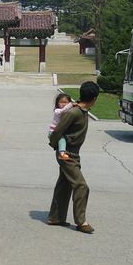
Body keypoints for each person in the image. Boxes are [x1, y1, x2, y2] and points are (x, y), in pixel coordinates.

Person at [47, 81, 99, 234]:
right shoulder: (73, 113)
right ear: (94, 99)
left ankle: (55, 217)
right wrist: (58, 148)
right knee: (81, 185)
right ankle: (81, 222)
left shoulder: (82, 111)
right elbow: (57, 131)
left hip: (74, 153)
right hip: (66, 154)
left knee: (65, 184)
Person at [49, 93, 75, 161]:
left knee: (63, 140)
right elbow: (62, 111)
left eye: (66, 102)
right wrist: (71, 104)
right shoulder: (57, 111)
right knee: (62, 140)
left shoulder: (69, 111)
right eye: (61, 102)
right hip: (53, 131)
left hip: (60, 131)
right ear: (57, 104)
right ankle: (62, 153)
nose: (63, 104)